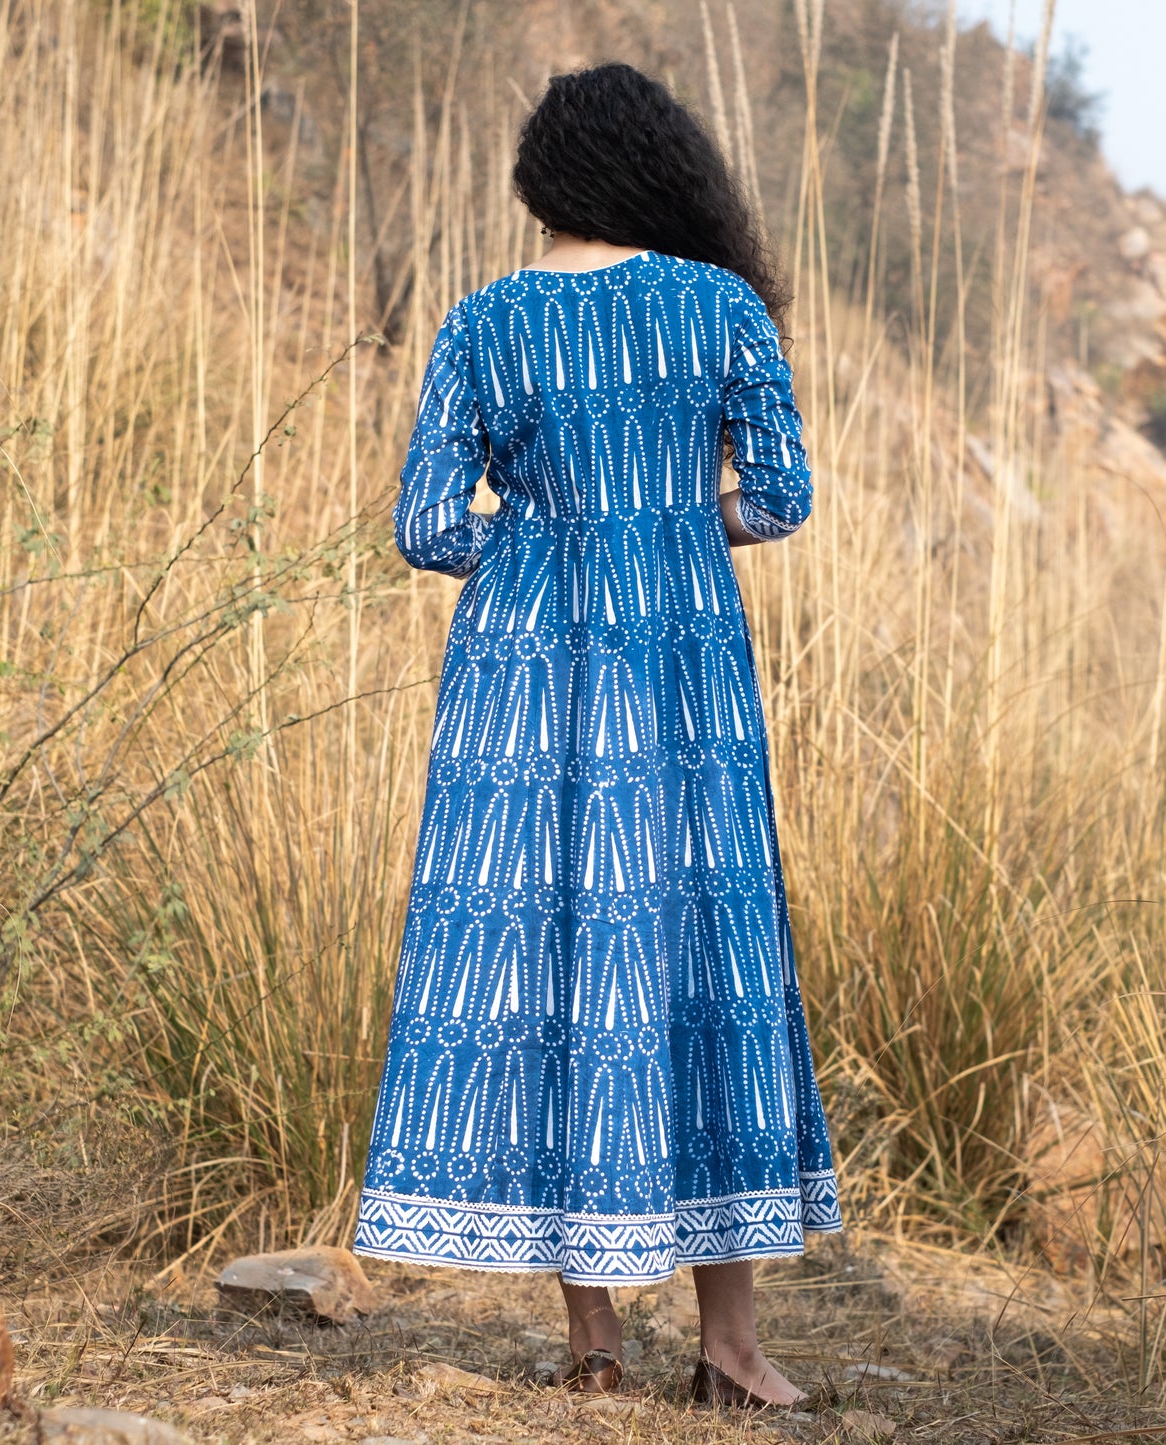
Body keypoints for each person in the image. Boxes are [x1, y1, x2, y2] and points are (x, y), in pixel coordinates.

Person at [353, 61, 841, 1410]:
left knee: (559, 954)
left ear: (540, 185)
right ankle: (731, 1350)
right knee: (701, 950)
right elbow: (782, 496)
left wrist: (543, 539)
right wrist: (670, 526)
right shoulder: (720, 306)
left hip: (525, 679)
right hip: (681, 671)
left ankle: (593, 1345)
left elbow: (426, 529)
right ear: (662, 171)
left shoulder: (484, 321)